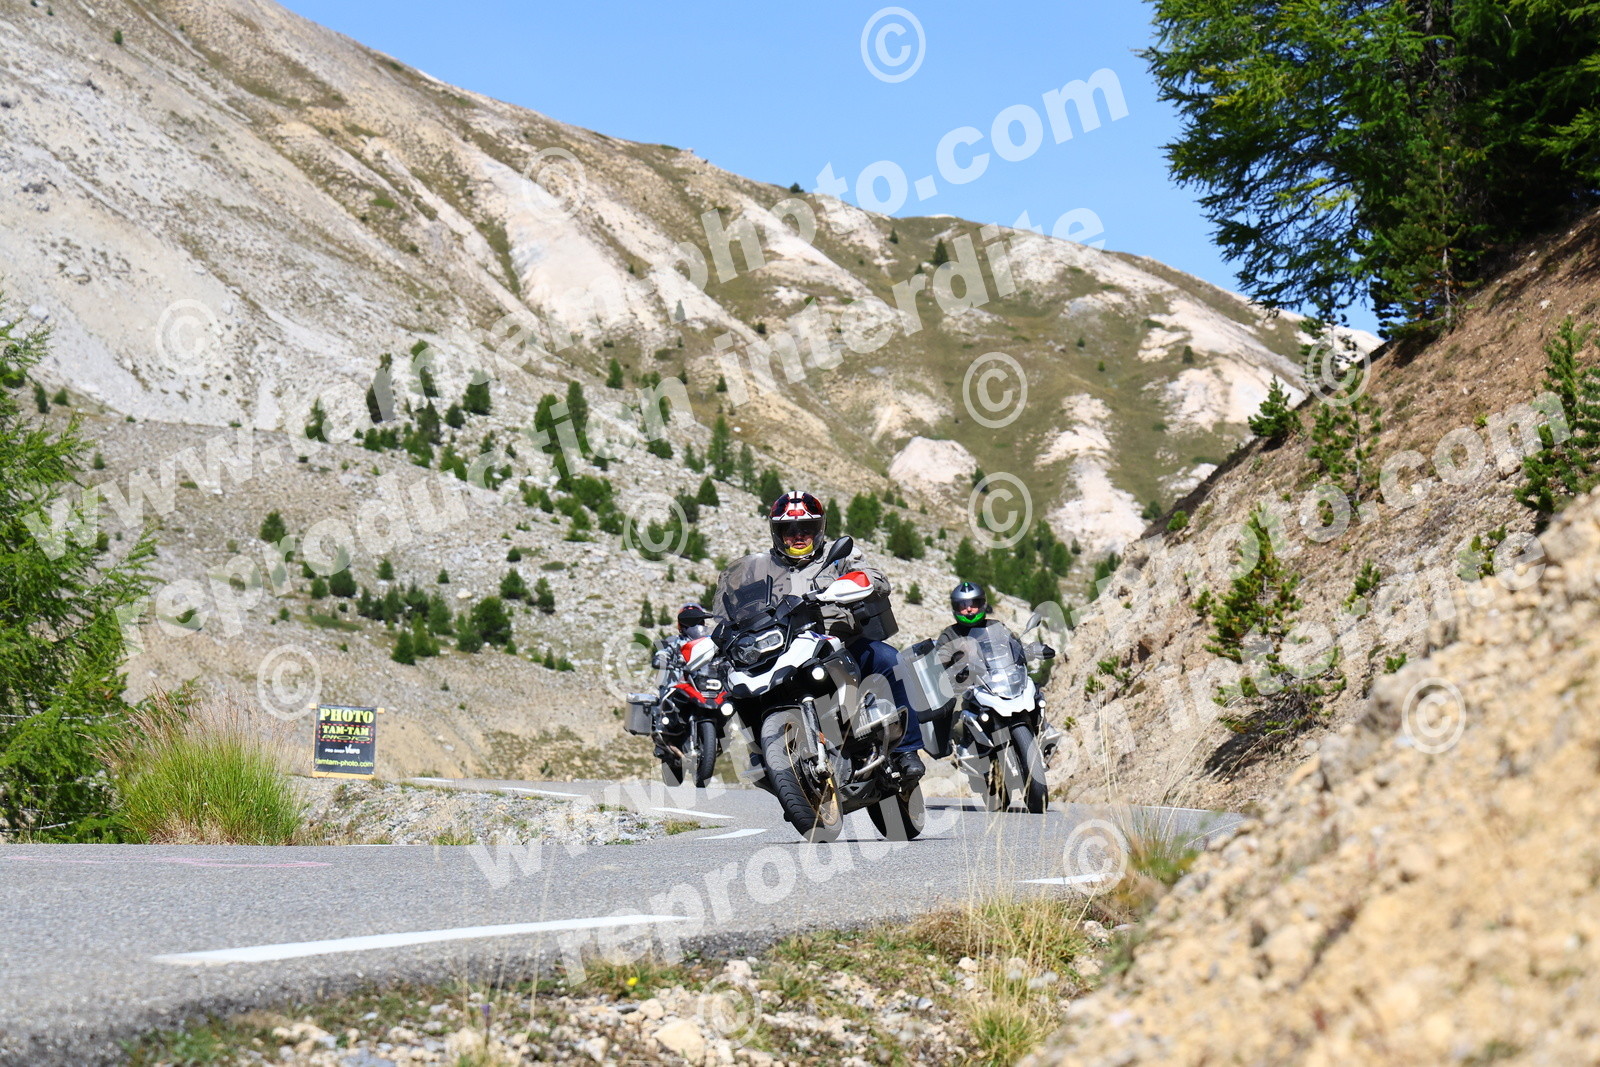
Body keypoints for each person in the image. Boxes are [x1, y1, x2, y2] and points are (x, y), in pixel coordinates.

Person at [713, 491, 924, 782]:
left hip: (838, 641)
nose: (798, 536)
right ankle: (763, 752)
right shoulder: (760, 569)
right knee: (740, 686)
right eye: (789, 530)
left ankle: (907, 750)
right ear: (777, 533)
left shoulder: (838, 556)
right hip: (781, 649)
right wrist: (721, 631)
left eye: (806, 528)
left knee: (890, 660)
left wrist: (857, 581)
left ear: (819, 529)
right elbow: (734, 605)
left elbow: (876, 579)